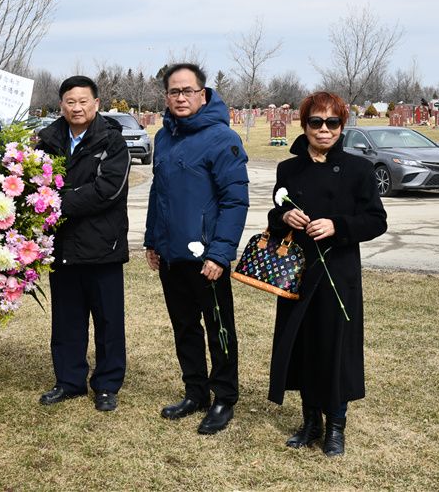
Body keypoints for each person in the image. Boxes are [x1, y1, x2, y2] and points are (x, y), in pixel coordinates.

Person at [266, 91, 388, 456]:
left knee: (334, 349)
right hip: (299, 272)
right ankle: (309, 422)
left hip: (338, 274)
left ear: (341, 126)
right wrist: (284, 217)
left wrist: (337, 225)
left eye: (332, 122)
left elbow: (376, 221)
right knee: (303, 346)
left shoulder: (358, 170)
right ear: (304, 125)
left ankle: (336, 425)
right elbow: (274, 216)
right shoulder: (288, 170)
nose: (324, 129)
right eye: (316, 122)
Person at [144, 63, 249, 435]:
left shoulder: (223, 139)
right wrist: (152, 240)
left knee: (219, 327)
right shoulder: (165, 136)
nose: (181, 98)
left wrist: (220, 253)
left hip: (208, 258)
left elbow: (235, 200)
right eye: (174, 92)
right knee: (184, 326)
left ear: (203, 95)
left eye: (188, 91)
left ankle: (224, 396)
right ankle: (195, 391)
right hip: (172, 254)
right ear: (166, 97)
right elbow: (159, 192)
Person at [35, 76, 130, 412]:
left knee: (108, 321)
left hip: (103, 246)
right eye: (70, 102)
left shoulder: (112, 141)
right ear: (61, 105)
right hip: (62, 246)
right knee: (67, 319)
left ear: (96, 104)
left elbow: (107, 190)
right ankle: (69, 381)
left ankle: (106, 385)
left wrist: (57, 200)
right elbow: (34, 185)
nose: (77, 107)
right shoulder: (46, 142)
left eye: (83, 101)